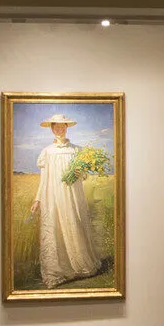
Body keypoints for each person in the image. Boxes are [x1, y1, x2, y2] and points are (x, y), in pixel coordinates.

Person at [31, 113, 104, 288]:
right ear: (51, 129)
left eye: (62, 126)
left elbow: (84, 176)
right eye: (55, 126)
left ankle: (79, 266)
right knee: (54, 229)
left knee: (75, 225)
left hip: (72, 195)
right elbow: (44, 179)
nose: (59, 129)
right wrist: (37, 199)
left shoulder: (77, 150)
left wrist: (80, 174)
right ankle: (56, 272)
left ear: (67, 127)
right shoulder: (47, 152)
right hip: (53, 197)